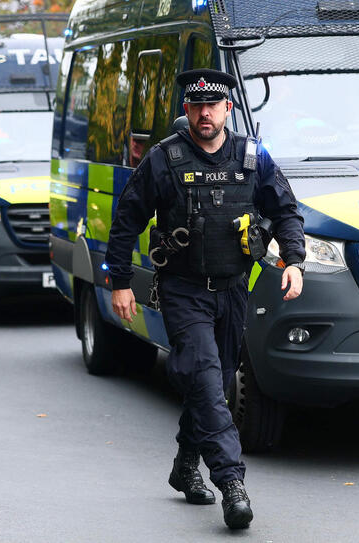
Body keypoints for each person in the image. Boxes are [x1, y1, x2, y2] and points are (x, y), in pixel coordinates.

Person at [105, 69, 306, 530]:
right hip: (183, 291)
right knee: (206, 377)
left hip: (234, 290)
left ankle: (184, 465)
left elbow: (285, 211)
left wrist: (294, 260)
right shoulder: (164, 159)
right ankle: (231, 483)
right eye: (196, 107)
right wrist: (120, 282)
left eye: (213, 106)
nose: (205, 114)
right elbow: (125, 222)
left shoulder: (253, 158)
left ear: (227, 110)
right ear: (187, 111)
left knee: (210, 384)